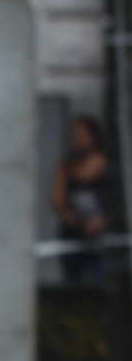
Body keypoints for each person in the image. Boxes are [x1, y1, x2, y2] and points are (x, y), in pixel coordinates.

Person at [52, 115, 118, 286]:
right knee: (74, 283)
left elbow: (117, 200)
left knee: (102, 281)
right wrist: (69, 216)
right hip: (74, 233)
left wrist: (103, 222)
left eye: (82, 133)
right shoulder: (67, 166)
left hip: (103, 236)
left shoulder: (108, 165)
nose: (78, 138)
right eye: (75, 134)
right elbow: (58, 199)